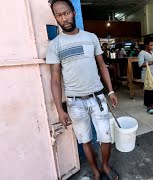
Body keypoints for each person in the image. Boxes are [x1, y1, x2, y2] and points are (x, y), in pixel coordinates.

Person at [46, 1, 119, 179]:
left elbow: (102, 66)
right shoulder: (54, 45)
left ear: (73, 13)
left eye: (66, 13)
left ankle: (105, 165)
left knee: (106, 137)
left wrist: (110, 91)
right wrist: (60, 109)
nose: (64, 18)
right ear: (56, 18)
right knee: (85, 139)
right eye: (59, 15)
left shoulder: (91, 37)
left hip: (98, 98)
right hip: (74, 102)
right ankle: (95, 169)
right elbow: (55, 80)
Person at [138, 36, 153, 114]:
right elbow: (140, 64)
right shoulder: (142, 53)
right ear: (146, 45)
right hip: (147, 76)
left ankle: (152, 104)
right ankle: (148, 106)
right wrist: (151, 62)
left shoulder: (152, 52)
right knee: (148, 91)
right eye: (151, 45)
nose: (152, 46)